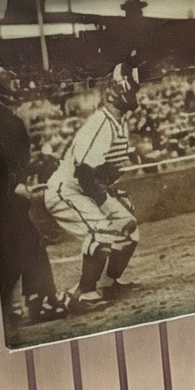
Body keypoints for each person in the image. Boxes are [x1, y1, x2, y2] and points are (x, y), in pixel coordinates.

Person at [44, 60, 142, 311]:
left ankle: (110, 283)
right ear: (118, 91)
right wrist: (106, 199)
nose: (135, 94)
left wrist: (108, 190)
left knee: (128, 230)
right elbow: (85, 173)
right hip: (67, 189)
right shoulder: (102, 122)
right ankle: (82, 293)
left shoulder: (118, 121)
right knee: (102, 233)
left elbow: (100, 171)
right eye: (132, 89)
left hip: (82, 188)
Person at [0, 67, 65, 323]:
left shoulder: (6, 116)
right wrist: (12, 185)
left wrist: (37, 164)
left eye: (14, 75)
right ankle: (39, 301)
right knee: (27, 247)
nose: (16, 80)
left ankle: (28, 303)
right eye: (8, 78)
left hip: (7, 196)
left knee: (18, 250)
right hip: (4, 197)